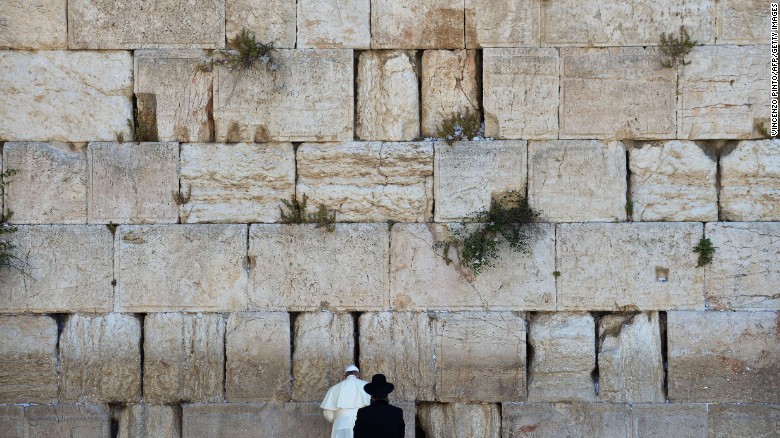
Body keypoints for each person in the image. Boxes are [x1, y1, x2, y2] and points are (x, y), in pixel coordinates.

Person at [320, 365, 371, 438]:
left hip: (341, 424)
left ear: (345, 375)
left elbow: (328, 413)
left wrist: (336, 420)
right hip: (363, 422)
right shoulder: (367, 386)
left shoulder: (335, 388)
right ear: (358, 375)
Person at [353, 374, 405, 438]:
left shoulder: (363, 413)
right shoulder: (397, 412)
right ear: (387, 395)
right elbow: (401, 435)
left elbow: (357, 435)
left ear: (372, 396)